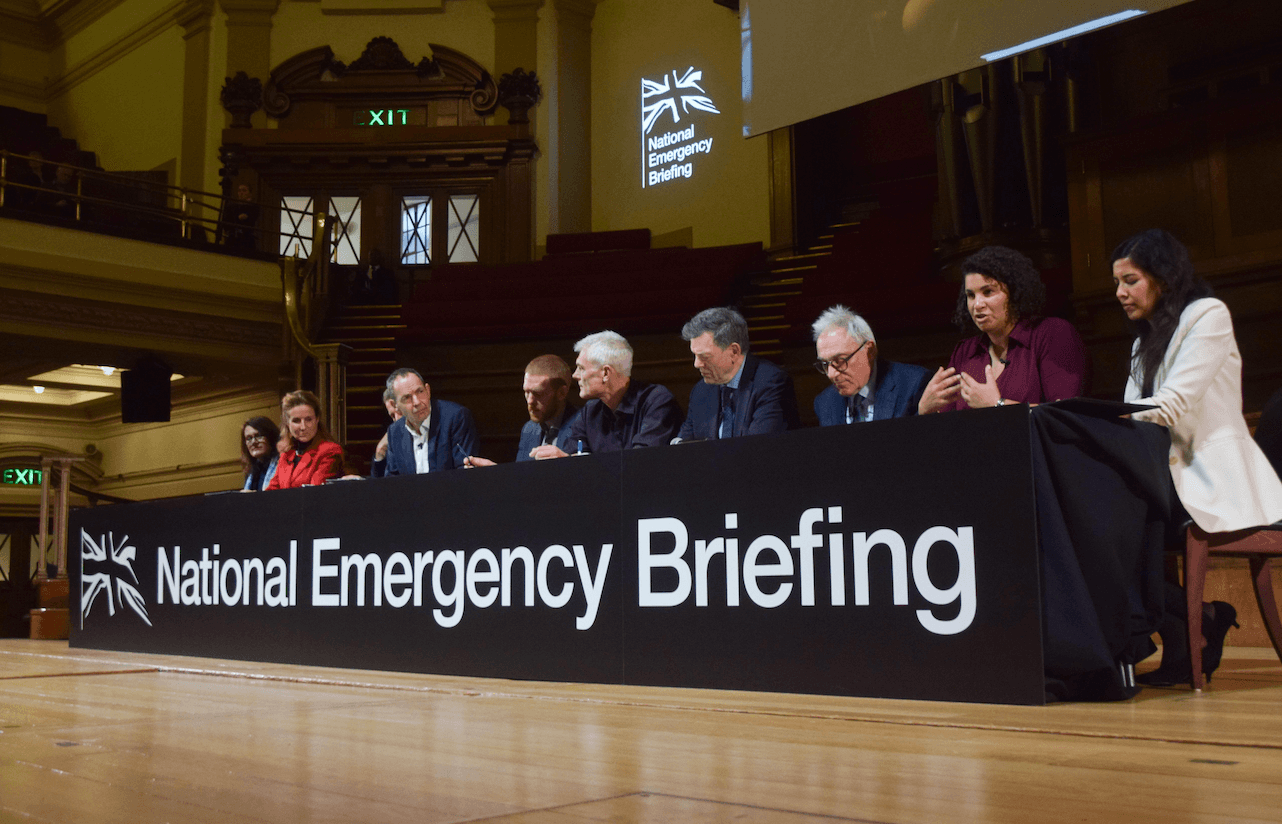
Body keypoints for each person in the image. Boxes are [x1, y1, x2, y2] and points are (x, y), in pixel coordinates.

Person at [1113, 229, 1282, 685]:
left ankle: (1184, 625)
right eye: (1117, 283)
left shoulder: (1209, 315)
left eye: (1130, 280)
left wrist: (1105, 425)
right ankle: (1194, 619)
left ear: (1162, 278)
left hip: (1213, 476)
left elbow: (1171, 405)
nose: (1119, 293)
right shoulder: (1141, 343)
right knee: (1097, 516)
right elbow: (1133, 413)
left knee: (1109, 518)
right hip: (1166, 474)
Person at [919, 246, 1087, 414]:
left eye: (988, 292)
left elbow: (1065, 415)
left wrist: (998, 404)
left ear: (1014, 293)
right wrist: (925, 410)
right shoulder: (965, 351)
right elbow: (947, 423)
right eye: (971, 295)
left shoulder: (1053, 333)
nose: (977, 305)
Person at [532, 331, 682, 458]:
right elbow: (574, 456)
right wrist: (566, 461)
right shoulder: (589, 412)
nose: (575, 375)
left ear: (605, 373)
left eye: (581, 368)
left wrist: (571, 462)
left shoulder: (657, 401)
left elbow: (640, 464)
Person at [675, 307, 798, 441]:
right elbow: (684, 445)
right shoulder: (700, 391)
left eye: (705, 356)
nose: (697, 364)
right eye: (695, 355)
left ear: (734, 351)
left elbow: (760, 446)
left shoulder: (771, 382)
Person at [811, 305, 929, 425]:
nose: (831, 374)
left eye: (840, 361)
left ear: (870, 351)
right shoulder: (824, 402)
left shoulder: (914, 384)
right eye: (825, 364)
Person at [376, 367, 478, 475]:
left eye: (420, 391)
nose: (417, 402)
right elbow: (392, 481)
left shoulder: (456, 418)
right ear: (394, 405)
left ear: (428, 391)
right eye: (407, 397)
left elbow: (465, 472)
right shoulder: (395, 431)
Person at [266, 390, 344, 489]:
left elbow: (314, 493)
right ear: (287, 423)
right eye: (296, 421)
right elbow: (271, 492)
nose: (303, 427)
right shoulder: (286, 455)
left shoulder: (330, 450)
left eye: (308, 419)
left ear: (317, 419)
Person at [240, 415, 280, 491]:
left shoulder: (283, 465)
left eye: (258, 436)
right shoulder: (251, 471)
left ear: (271, 437)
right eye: (249, 438)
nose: (253, 442)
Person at [370, 385, 402, 478]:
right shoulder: (393, 435)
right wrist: (380, 454)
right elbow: (377, 483)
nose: (397, 419)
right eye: (392, 416)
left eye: (400, 412)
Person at [221, 183, 260, 250]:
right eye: (239, 191)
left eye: (244, 190)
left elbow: (251, 219)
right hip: (233, 238)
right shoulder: (232, 207)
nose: (241, 193)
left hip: (247, 239)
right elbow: (226, 224)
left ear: (250, 194)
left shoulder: (254, 207)